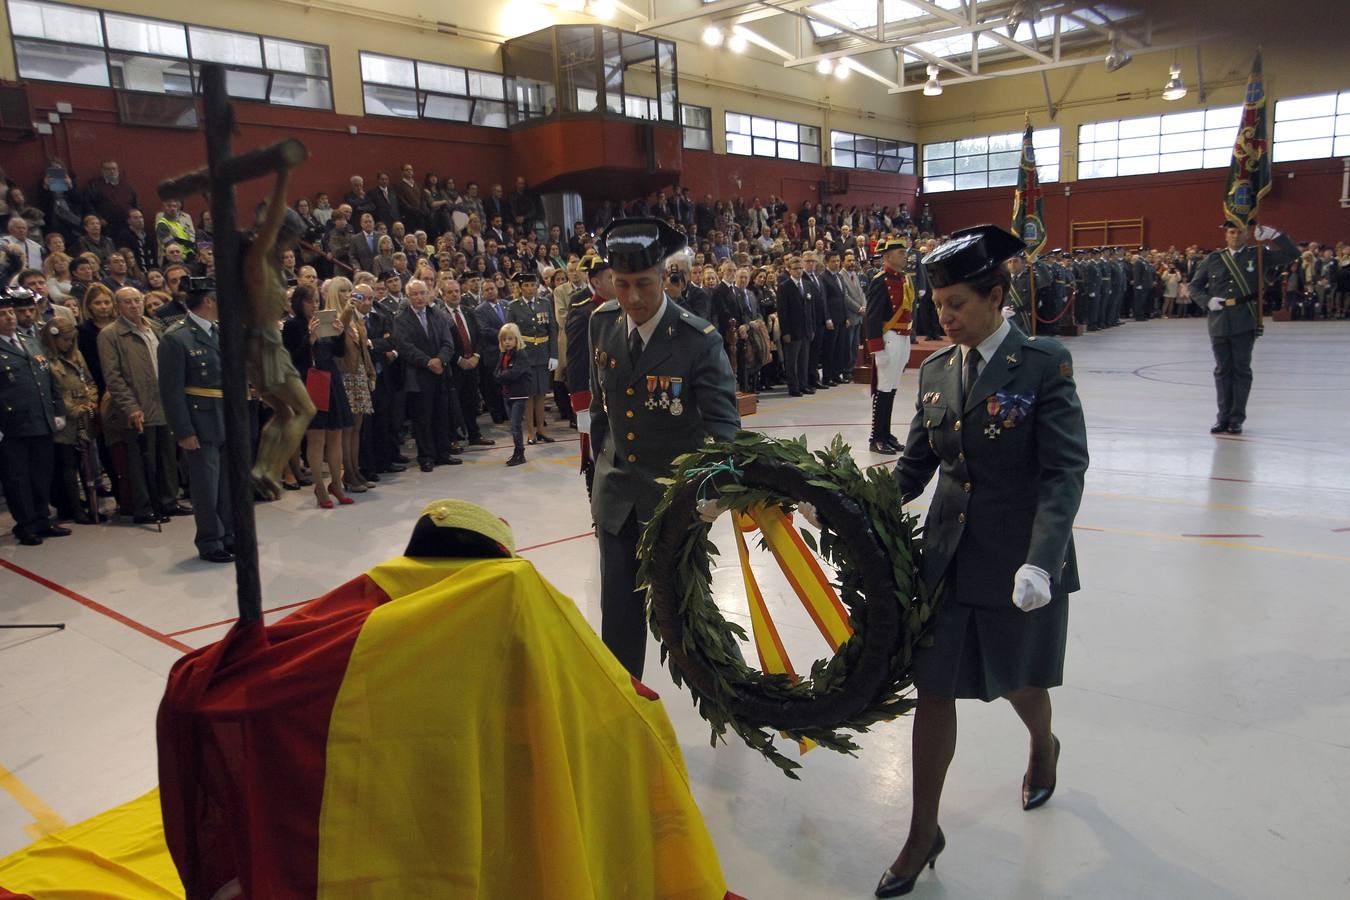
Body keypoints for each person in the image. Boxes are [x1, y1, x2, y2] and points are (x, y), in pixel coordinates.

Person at [873, 225, 1088, 898]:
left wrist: (1042, 563)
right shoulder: (937, 370)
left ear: (998, 296)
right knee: (934, 687)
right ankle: (922, 831)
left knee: (1019, 680)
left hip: (1017, 558)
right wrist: (855, 502)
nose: (947, 316)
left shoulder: (1042, 363)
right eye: (940, 304)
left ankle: (1042, 745)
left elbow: (1063, 473)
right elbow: (914, 469)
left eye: (960, 303)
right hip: (948, 557)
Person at [587, 217, 740, 679]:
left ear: (666, 277)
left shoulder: (697, 341)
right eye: (622, 284)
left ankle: (729, 693)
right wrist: (597, 479)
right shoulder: (601, 324)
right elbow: (601, 412)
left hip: (674, 503)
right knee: (618, 614)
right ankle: (624, 707)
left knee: (687, 611)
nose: (633, 298)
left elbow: (723, 431)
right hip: (616, 499)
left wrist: (712, 496)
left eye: (644, 285)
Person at [1187, 222, 1298, 435]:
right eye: (1231, 232)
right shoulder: (1214, 258)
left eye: (1240, 232)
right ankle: (1223, 417)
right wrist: (1206, 300)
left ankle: (1236, 418)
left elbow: (1291, 254)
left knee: (1241, 370)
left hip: (1244, 320)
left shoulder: (1258, 255)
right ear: (1225, 235)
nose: (1235, 236)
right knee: (1222, 371)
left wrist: (1274, 235)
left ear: (1247, 234)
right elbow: (1194, 286)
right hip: (1218, 320)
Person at [157, 278, 233, 563]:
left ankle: (229, 535)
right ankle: (210, 540)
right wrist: (183, 430)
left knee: (227, 484)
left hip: (225, 417)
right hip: (200, 422)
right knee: (206, 486)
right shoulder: (176, 338)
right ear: (209, 301)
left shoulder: (219, 333)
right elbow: (170, 390)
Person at [98, 286, 187, 524]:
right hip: (138, 404)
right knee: (141, 460)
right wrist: (130, 406)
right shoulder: (111, 334)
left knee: (167, 455)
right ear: (119, 306)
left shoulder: (155, 327)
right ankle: (144, 505)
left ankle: (169, 500)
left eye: (138, 300)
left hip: (164, 400)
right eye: (128, 302)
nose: (134, 305)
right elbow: (113, 376)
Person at [0, 287, 69, 545]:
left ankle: (42, 519)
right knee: (18, 478)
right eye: (3, 314)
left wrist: (58, 411)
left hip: (41, 419)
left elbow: (48, 379)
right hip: (12, 426)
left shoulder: (30, 340)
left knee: (42, 474)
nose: (9, 318)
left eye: (10, 313)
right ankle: (25, 524)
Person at [393, 278, 458, 472]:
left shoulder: (437, 314)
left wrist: (440, 359)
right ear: (408, 297)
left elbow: (448, 342)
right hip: (419, 375)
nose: (419, 297)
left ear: (429, 294)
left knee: (441, 414)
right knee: (423, 418)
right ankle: (427, 456)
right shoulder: (401, 319)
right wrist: (428, 362)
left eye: (422, 293)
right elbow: (404, 347)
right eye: (415, 294)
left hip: (441, 373)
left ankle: (442, 453)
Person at [864, 237, 916, 453]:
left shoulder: (904, 279)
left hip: (902, 337)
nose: (905, 255)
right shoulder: (880, 280)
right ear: (887, 257)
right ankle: (877, 437)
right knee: (883, 389)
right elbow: (872, 316)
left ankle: (886, 434)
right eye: (900, 252)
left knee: (892, 388)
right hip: (888, 338)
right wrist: (876, 348)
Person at [506, 271, 557, 445]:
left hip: (543, 353)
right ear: (520, 288)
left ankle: (541, 429)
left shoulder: (545, 303)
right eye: (526, 285)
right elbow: (510, 334)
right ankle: (530, 432)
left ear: (537, 286)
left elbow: (552, 330)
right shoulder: (514, 307)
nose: (530, 288)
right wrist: (514, 357)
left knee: (542, 393)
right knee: (528, 395)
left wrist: (554, 355)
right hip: (525, 354)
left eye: (533, 285)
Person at [496, 323, 531, 466]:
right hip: (507, 394)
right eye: (504, 339)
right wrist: (503, 375)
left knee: (516, 425)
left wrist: (502, 375)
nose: (507, 342)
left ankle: (520, 452)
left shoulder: (521, 354)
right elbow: (496, 373)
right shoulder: (503, 354)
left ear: (516, 339)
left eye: (510, 339)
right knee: (512, 425)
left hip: (519, 394)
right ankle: (517, 451)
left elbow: (514, 373)